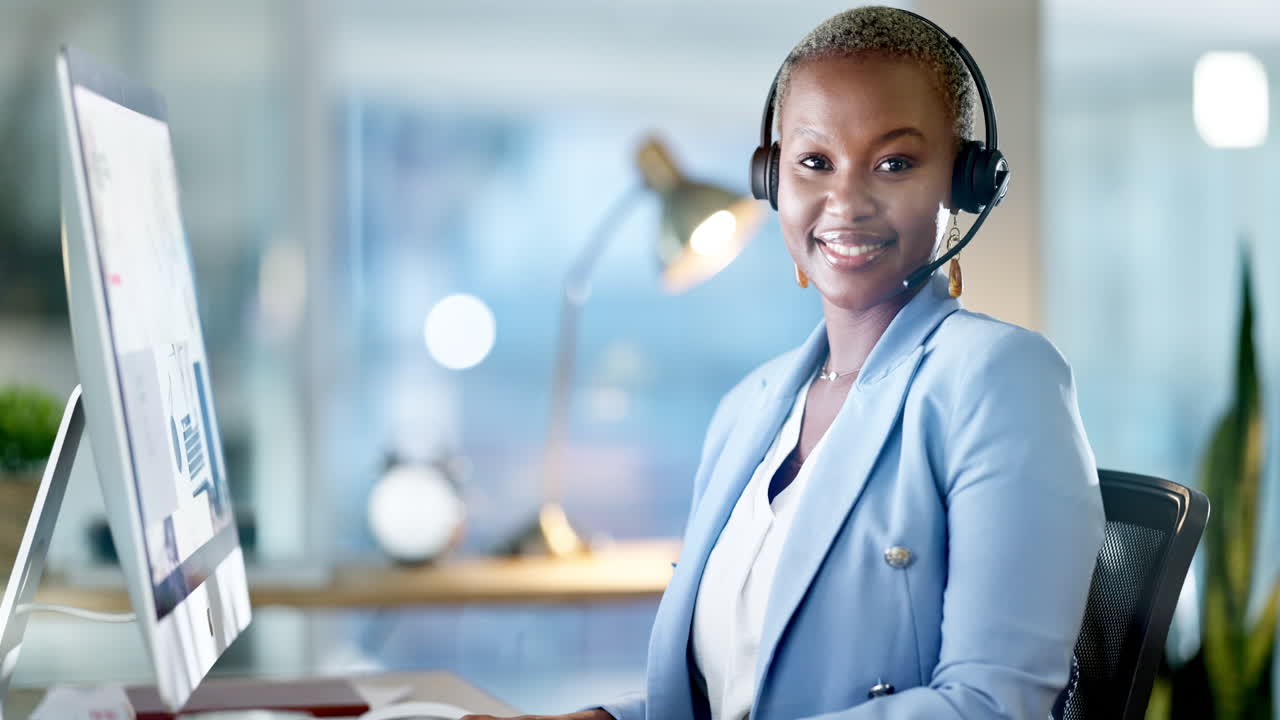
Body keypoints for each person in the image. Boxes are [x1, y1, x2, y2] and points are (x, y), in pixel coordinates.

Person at [463, 6, 1104, 720]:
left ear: (964, 182)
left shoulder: (1001, 380)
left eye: (894, 163)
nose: (846, 201)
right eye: (814, 162)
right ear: (772, 180)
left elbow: (993, 705)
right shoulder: (750, 406)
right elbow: (726, 694)